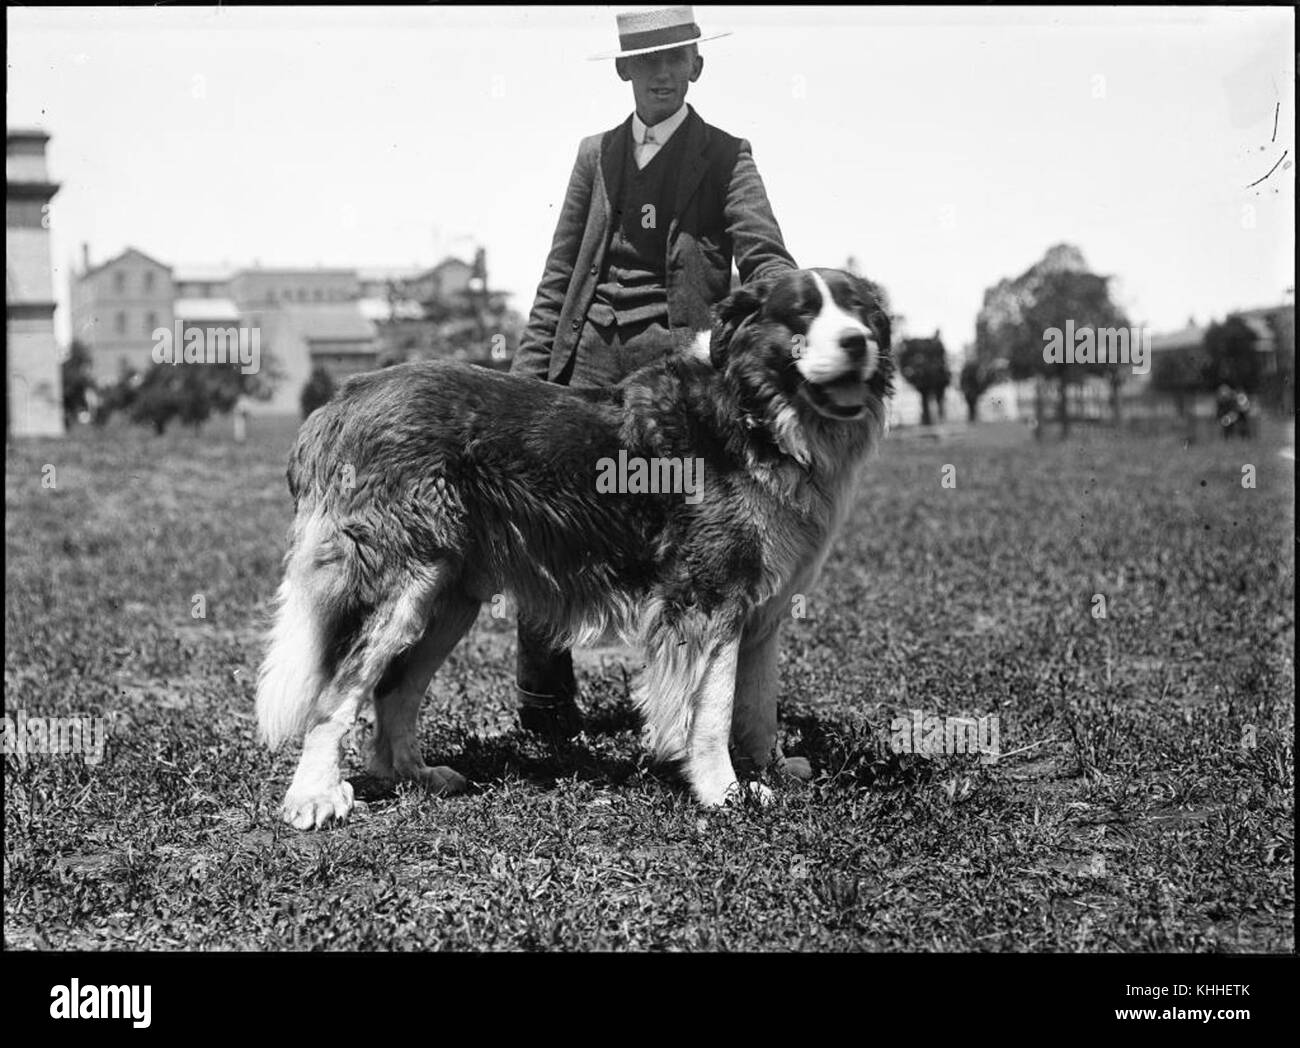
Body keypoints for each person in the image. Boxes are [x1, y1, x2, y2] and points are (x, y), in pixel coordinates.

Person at [509, 5, 798, 738]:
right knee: (543, 528)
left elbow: (760, 249)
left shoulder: (727, 156)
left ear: (696, 66)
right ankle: (544, 706)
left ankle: (685, 714)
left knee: (681, 544)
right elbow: (558, 273)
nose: (662, 73)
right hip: (582, 374)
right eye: (647, 61)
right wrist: (527, 379)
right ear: (624, 71)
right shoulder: (594, 155)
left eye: (676, 59)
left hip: (673, 391)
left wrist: (793, 303)